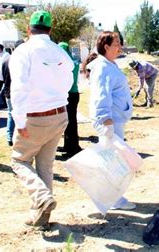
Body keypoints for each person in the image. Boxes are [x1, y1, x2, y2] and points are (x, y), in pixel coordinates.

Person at [10, 11, 73, 227]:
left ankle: (42, 198)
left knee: (19, 160)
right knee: (45, 165)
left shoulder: (23, 51)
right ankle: (41, 216)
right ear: (50, 29)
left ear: (29, 29)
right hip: (59, 114)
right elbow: (68, 80)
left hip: (35, 117)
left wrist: (19, 122)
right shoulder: (60, 52)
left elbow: (18, 88)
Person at [89, 31, 136, 210]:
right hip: (110, 121)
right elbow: (101, 96)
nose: (120, 46)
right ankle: (112, 198)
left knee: (113, 159)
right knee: (112, 161)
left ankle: (112, 197)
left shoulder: (109, 64)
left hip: (115, 120)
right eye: (116, 43)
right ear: (106, 46)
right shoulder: (103, 67)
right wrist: (105, 120)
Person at [58, 42, 82, 158]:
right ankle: (68, 145)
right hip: (74, 93)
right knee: (70, 122)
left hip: (69, 94)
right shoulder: (74, 61)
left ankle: (73, 148)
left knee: (70, 123)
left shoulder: (66, 64)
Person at [1, 39, 25, 146]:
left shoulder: (6, 61)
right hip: (18, 92)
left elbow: (1, 77)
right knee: (21, 116)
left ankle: (9, 137)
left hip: (8, 92)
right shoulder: (21, 61)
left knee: (11, 115)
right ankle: (18, 138)